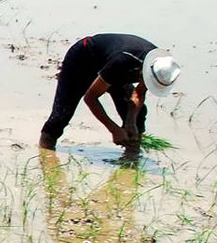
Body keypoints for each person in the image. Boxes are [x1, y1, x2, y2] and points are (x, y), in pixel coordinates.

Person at [40, 34, 180, 153]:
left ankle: (131, 156)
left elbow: (139, 94)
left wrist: (131, 121)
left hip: (115, 66)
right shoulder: (123, 61)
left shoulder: (160, 65)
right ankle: (45, 152)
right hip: (84, 59)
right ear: (145, 72)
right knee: (61, 115)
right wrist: (113, 129)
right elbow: (90, 98)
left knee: (138, 114)